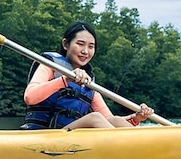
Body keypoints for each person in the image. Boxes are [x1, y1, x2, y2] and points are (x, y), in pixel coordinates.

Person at [21, 21, 154, 130]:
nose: (85, 51)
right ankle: (126, 151)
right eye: (80, 44)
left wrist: (136, 118)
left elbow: (109, 120)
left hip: (70, 138)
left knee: (116, 120)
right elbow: (30, 97)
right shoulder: (50, 65)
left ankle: (143, 149)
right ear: (66, 44)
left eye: (91, 46)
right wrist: (66, 79)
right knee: (94, 118)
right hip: (42, 136)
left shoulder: (88, 81)